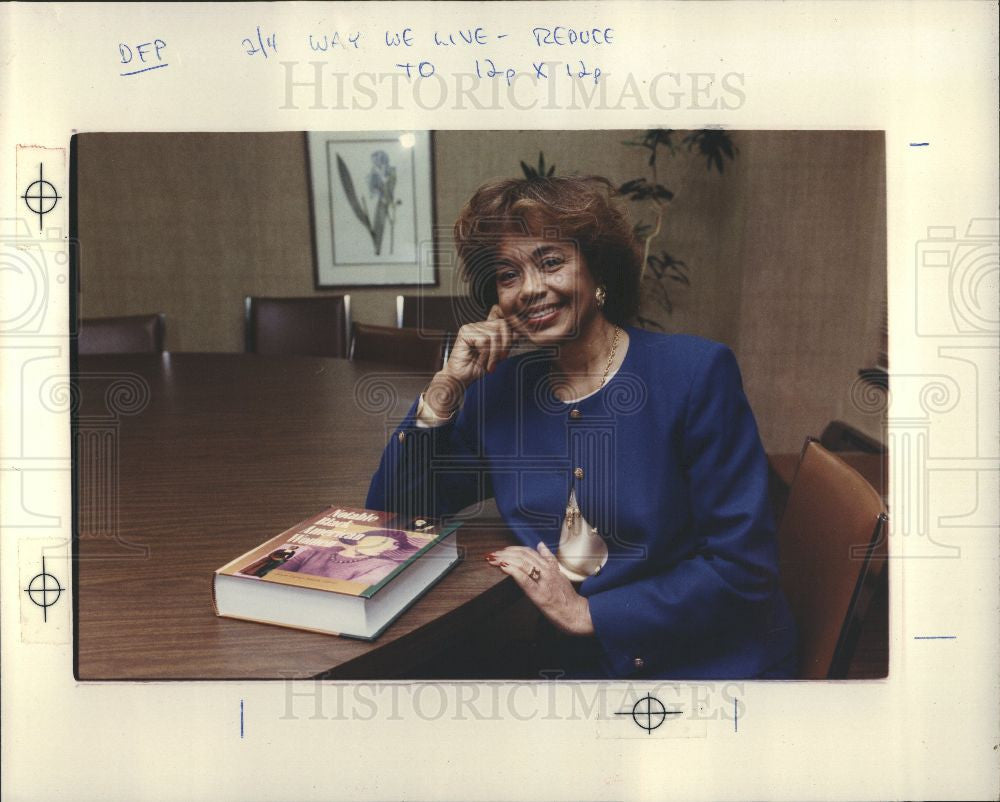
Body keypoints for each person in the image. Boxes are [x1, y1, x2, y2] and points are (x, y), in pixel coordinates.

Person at [366, 175, 797, 679]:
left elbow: (743, 568)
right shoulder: (500, 389)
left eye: (551, 262)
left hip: (702, 661)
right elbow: (397, 516)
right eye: (508, 275)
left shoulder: (694, 375)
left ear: (598, 271)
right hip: (572, 664)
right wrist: (445, 388)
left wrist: (587, 614)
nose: (531, 289)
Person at [277, 529, 421, 586]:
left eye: (397, 546)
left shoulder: (385, 566)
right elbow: (274, 574)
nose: (392, 547)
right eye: (386, 541)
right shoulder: (315, 551)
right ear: (359, 539)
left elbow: (347, 593)